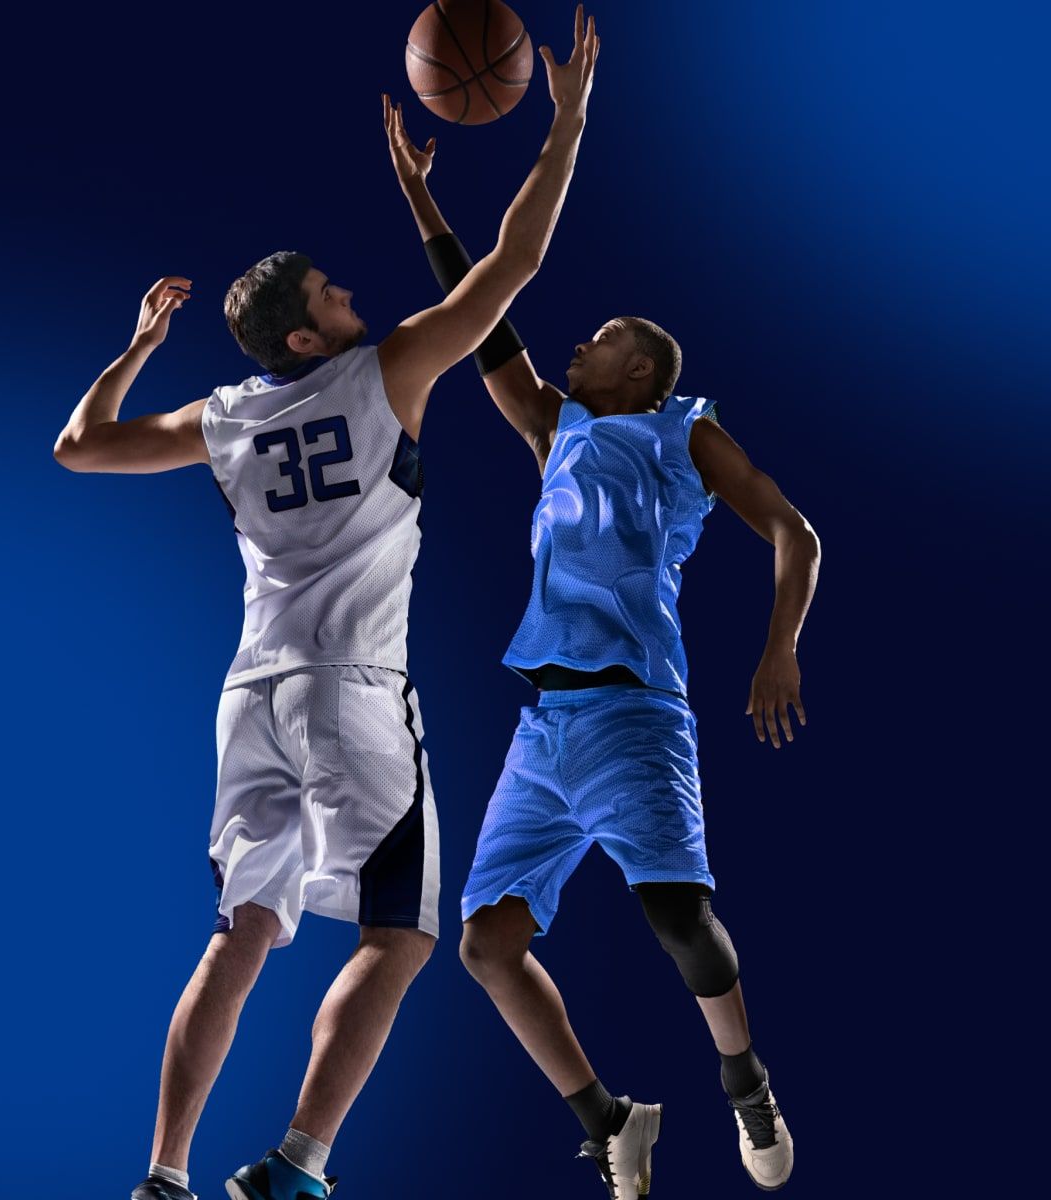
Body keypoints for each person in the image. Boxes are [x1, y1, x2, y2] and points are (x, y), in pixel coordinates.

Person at [52, 12, 599, 1200]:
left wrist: (139, 343)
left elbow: (79, 447)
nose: (354, 296)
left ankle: (164, 1173)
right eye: (334, 294)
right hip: (355, 692)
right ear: (310, 333)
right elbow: (514, 268)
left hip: (250, 696)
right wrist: (565, 126)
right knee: (399, 938)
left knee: (240, 936)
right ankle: (298, 1165)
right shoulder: (384, 371)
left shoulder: (225, 416)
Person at [384, 87, 820, 1196]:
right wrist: (424, 202)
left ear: (645, 372)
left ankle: (745, 1086)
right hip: (546, 728)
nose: (582, 344)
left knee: (679, 919)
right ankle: (609, 1118)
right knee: (485, 946)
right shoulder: (556, 427)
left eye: (606, 339)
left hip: (635, 710)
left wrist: (779, 647)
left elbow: (792, 529)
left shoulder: (679, 432)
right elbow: (490, 321)